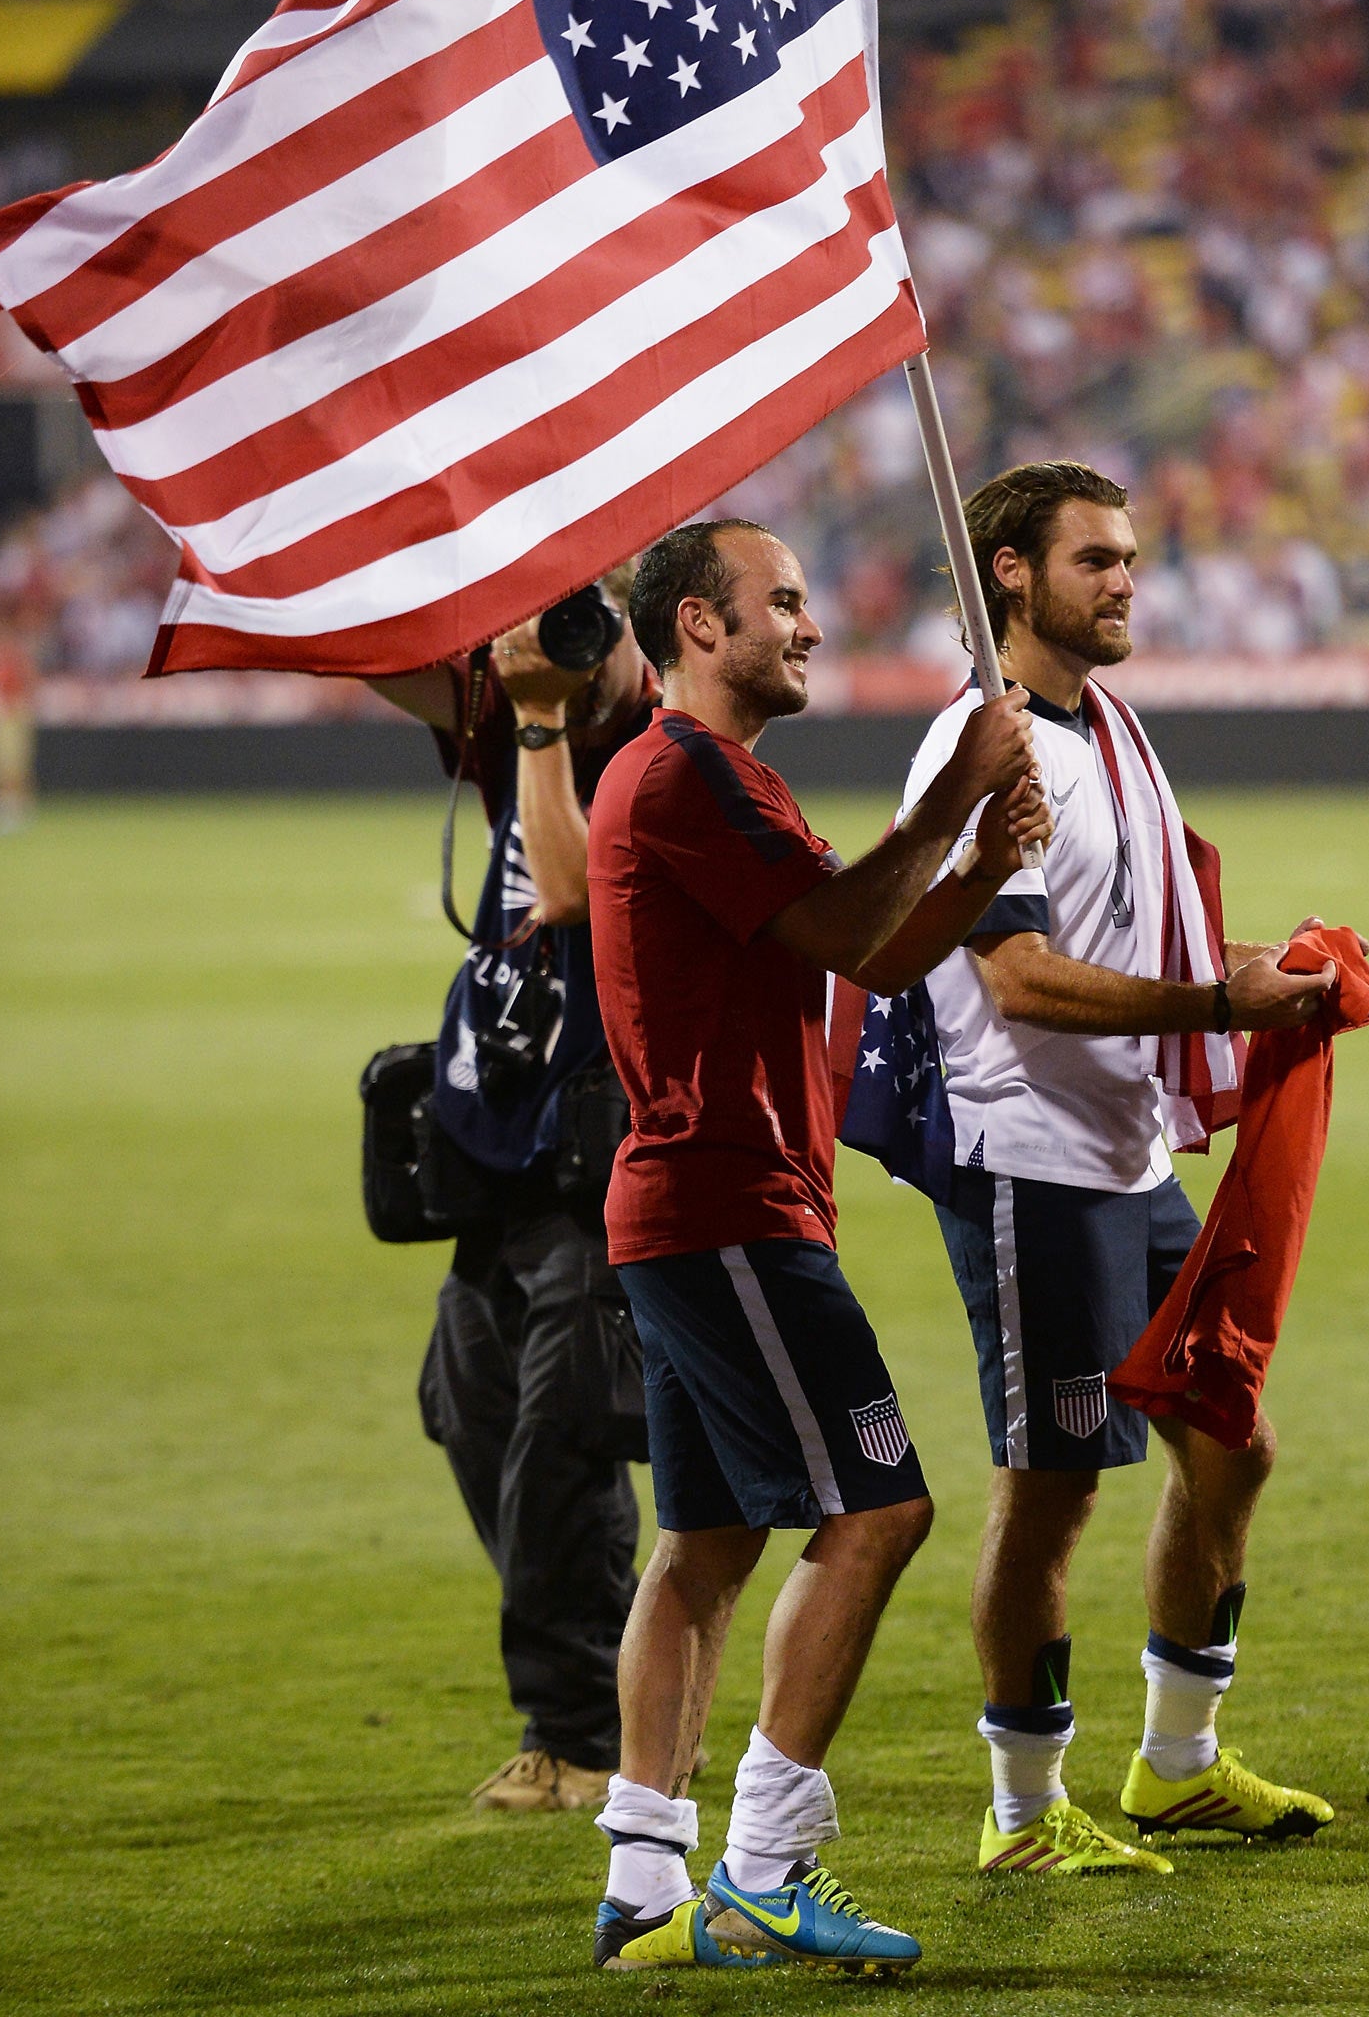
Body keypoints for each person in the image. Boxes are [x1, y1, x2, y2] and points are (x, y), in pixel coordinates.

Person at [584, 518, 1051, 1973]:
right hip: (730, 1208)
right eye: (779, 602)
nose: (809, 623)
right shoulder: (685, 775)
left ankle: (645, 1883)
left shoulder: (709, 780)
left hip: (695, 1211)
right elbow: (854, 933)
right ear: (697, 629)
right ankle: (765, 1866)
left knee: (707, 1545)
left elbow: (875, 952)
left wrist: (974, 867)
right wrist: (949, 805)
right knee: (879, 1511)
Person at [898, 460, 1343, 1877]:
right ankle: (1023, 1818)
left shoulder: (1106, 731)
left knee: (1234, 1442)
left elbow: (1135, 941)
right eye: (1096, 558)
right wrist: (1218, 1010)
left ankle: (1176, 1770)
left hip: (1126, 1146)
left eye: (1134, 558)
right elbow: (1022, 982)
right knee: (1053, 1485)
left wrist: (1245, 974)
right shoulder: (987, 751)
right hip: (1033, 1162)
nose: (1127, 581)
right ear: (1011, 575)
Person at [367, 564, 654, 1814]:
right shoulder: (520, 716)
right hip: (492, 1160)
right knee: (476, 1420)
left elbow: (573, 889)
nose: (573, 649)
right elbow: (365, 656)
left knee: (563, 1441)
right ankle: (598, 1699)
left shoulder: (657, 751)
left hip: (595, 1168)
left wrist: (541, 716)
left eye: (597, 623)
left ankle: (594, 1732)